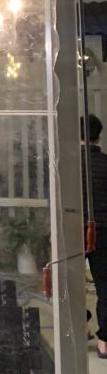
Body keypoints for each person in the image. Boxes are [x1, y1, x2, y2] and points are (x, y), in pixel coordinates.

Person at [83, 114, 107, 357]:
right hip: (104, 231)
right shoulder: (105, 163)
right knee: (105, 286)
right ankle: (105, 342)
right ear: (98, 137)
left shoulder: (65, 167)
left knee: (68, 283)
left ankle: (80, 324)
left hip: (71, 231)